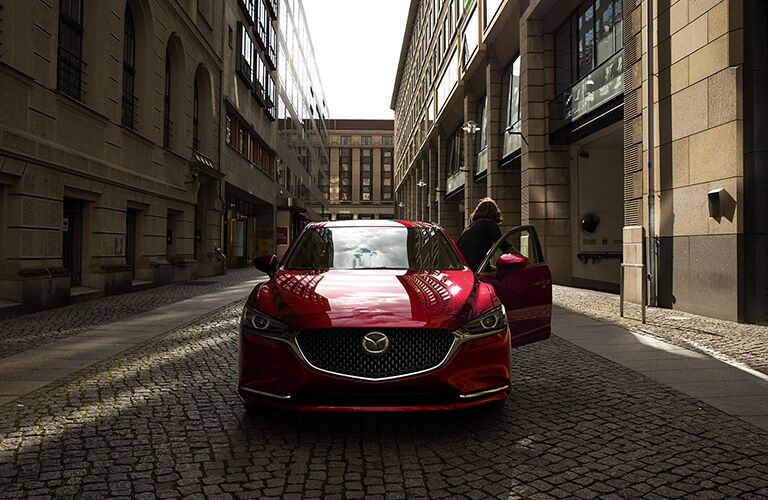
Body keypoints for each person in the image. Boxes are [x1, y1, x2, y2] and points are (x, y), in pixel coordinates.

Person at [456, 197, 503, 272]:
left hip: (463, 267)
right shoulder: (489, 224)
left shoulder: (472, 226)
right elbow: (503, 244)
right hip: (475, 268)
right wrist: (520, 256)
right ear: (495, 212)